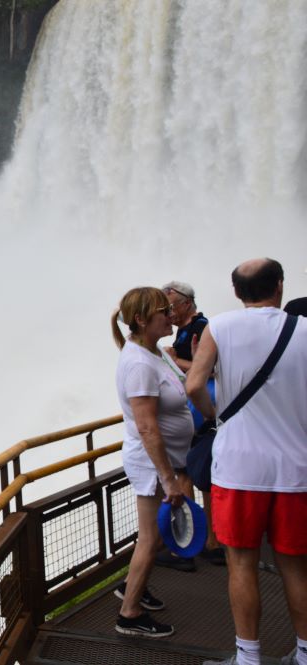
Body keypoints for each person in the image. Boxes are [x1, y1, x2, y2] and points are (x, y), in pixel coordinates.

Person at [187, 259, 307, 665]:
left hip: (238, 468)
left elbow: (193, 384)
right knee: (295, 565)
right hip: (296, 468)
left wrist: (214, 416)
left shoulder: (219, 327)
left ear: (237, 293)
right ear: (280, 286)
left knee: (241, 564)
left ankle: (248, 657)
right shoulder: (305, 329)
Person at [111, 287, 190, 638]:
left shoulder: (153, 352)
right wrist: (169, 478)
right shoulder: (140, 363)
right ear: (142, 319)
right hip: (151, 464)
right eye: (164, 311)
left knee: (156, 534)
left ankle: (135, 588)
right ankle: (129, 612)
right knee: (150, 537)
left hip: (162, 462)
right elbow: (146, 425)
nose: (171, 315)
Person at [158, 281, 225, 569]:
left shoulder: (201, 328)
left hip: (200, 410)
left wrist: (174, 360)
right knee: (196, 474)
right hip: (195, 410)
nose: (168, 312)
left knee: (192, 474)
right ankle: (204, 541)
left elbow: (208, 368)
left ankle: (193, 544)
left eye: (170, 306)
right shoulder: (188, 330)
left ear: (187, 302)